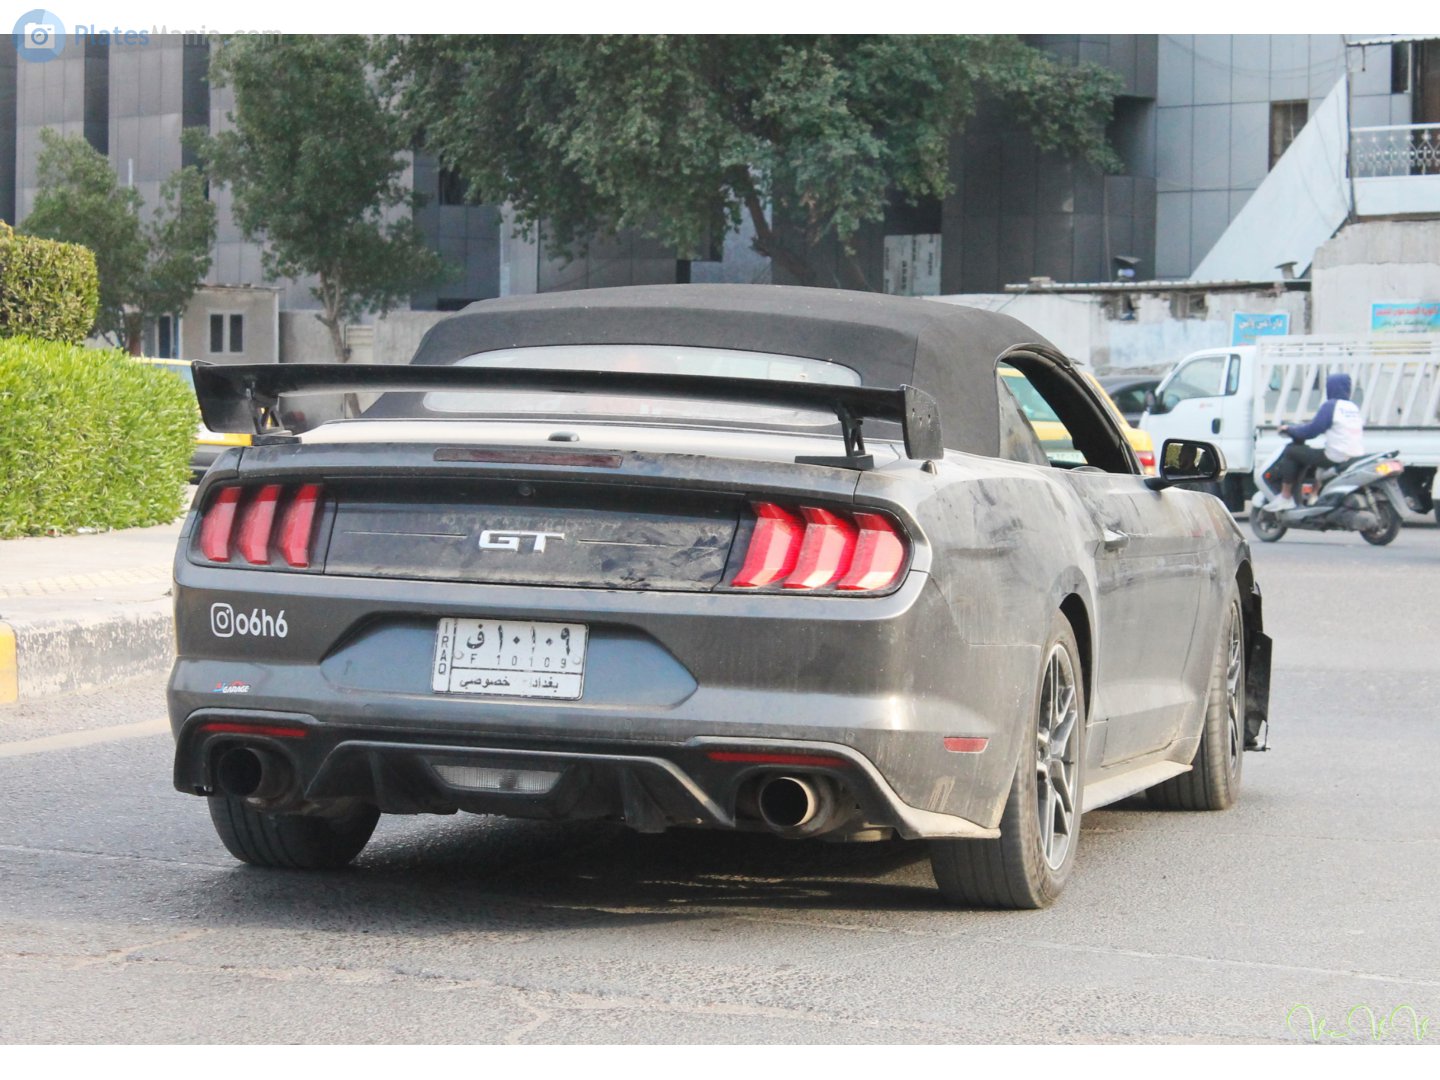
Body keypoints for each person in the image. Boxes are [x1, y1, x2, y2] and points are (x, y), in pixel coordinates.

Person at [1267, 373, 1364, 511]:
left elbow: (1311, 431)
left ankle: (1285, 497)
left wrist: (1289, 429)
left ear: (1331, 387)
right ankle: (1314, 495)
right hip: (1354, 455)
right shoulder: (1353, 407)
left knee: (1291, 452)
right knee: (1315, 457)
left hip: (1335, 456)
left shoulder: (1331, 406)